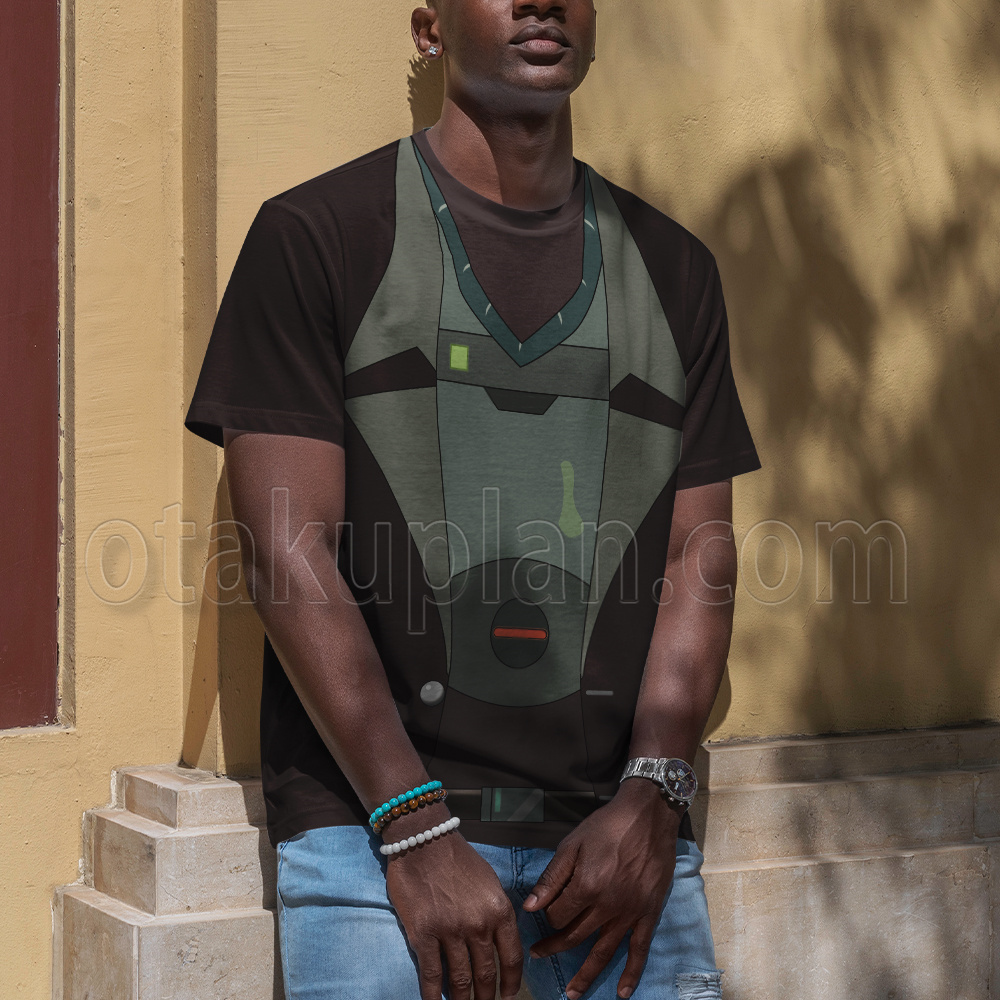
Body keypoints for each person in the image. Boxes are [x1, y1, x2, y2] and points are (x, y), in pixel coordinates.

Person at [185, 1, 761, 998]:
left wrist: (652, 797)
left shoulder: (674, 271)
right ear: (429, 29)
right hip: (372, 841)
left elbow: (696, 559)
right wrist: (414, 827)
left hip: (615, 847)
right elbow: (286, 549)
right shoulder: (317, 237)